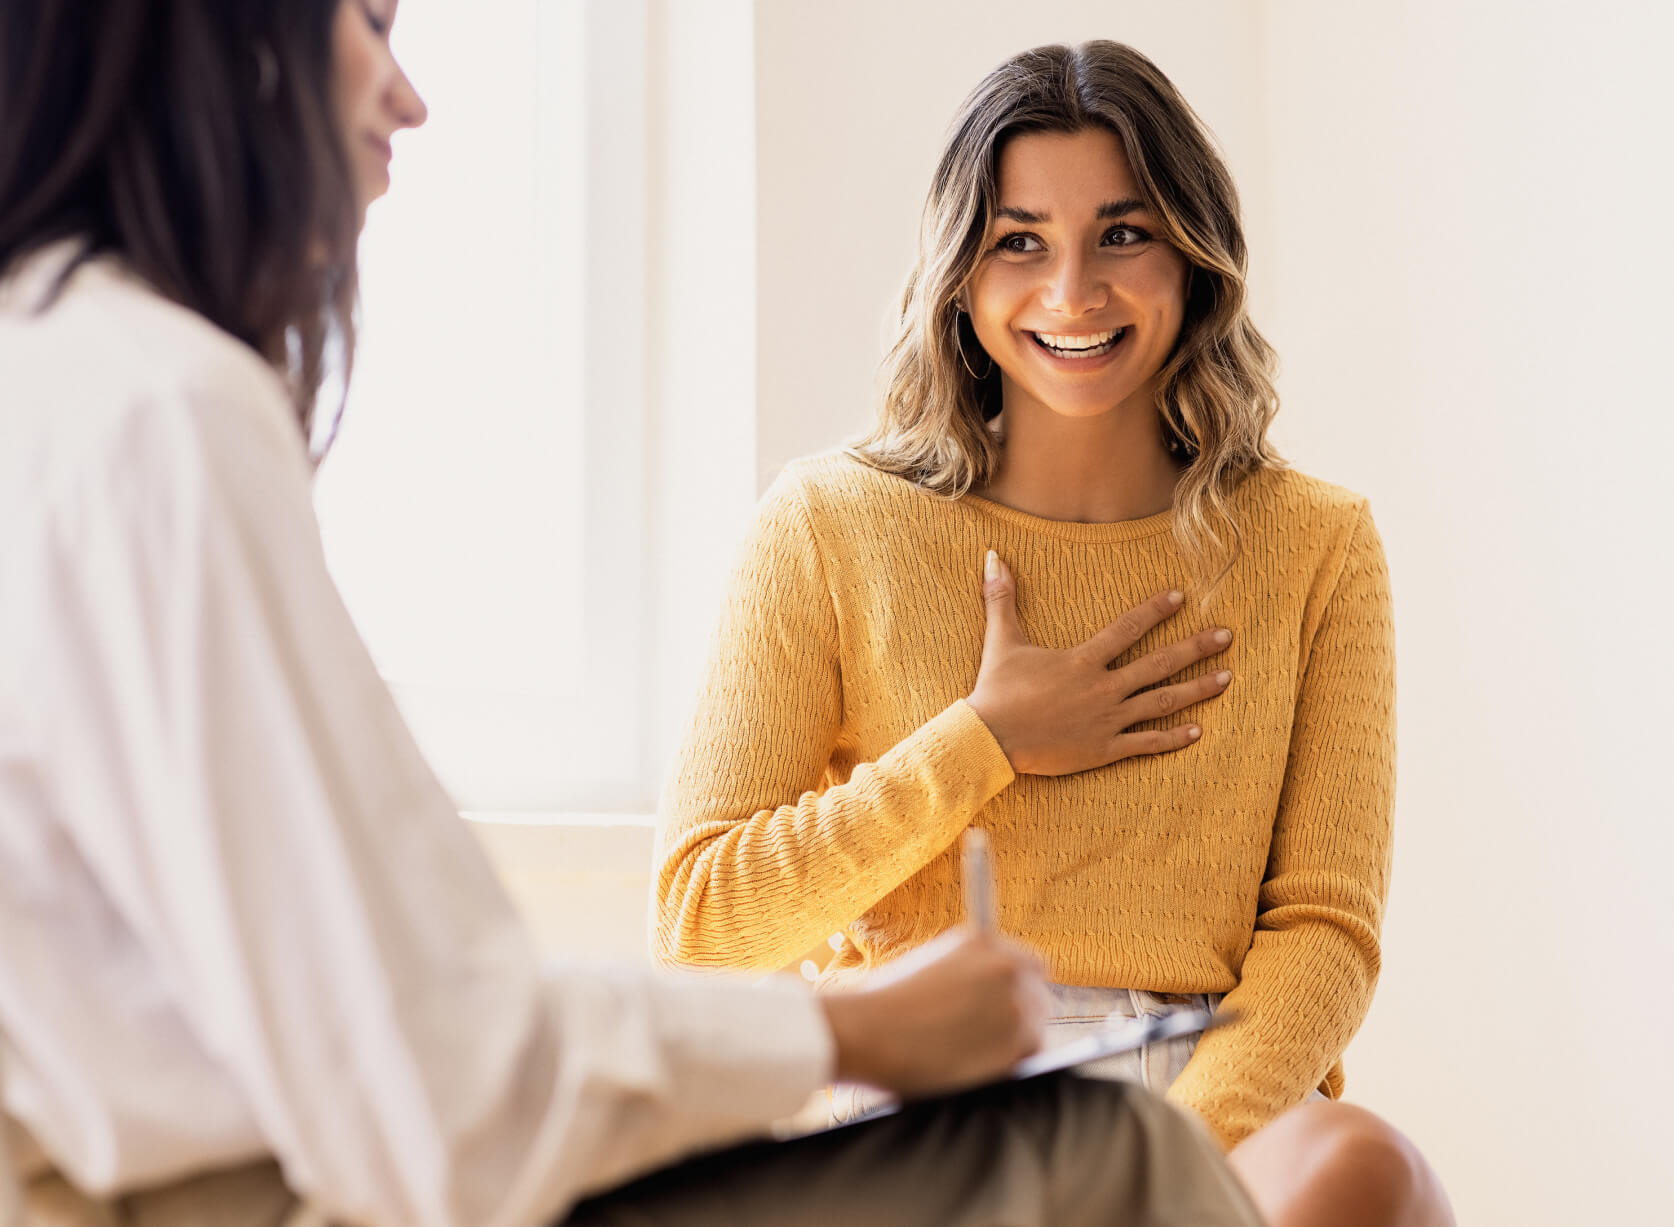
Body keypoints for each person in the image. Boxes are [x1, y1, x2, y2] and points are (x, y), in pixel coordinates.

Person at [0, 4, 1269, 1225]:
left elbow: (1325, 928)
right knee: (1113, 1160)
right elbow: (459, 1087)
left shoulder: (56, 379)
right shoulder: (162, 418)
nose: (412, 97)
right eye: (375, 23)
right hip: (289, 1189)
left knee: (1309, 1160)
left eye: (1125, 235)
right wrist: (860, 1013)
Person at [653, 40, 1455, 1227]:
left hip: (1210, 1090)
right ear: (961, 276)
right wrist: (983, 740)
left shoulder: (1316, 544)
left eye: (1123, 235)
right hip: (932, 1099)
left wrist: (1160, 1155)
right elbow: (700, 931)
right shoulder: (826, 525)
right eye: (1020, 240)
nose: (1072, 291)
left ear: (1192, 257)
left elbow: (1326, 933)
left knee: (1365, 1172)